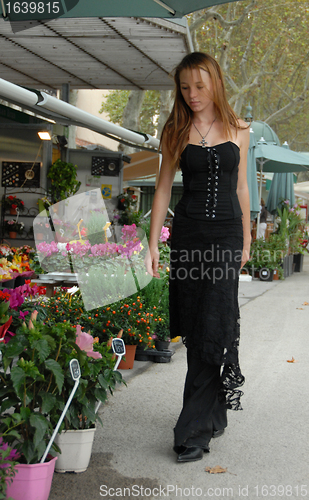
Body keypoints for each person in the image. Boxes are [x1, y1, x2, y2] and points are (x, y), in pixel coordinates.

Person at [145, 52, 251, 463]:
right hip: (189, 236)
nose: (192, 94)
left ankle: (192, 430)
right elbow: (162, 189)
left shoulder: (240, 129)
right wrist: (154, 243)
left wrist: (247, 239)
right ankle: (213, 412)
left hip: (226, 235)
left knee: (216, 321)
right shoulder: (174, 130)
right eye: (185, 87)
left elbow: (242, 189)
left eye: (200, 86)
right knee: (195, 322)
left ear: (216, 83)